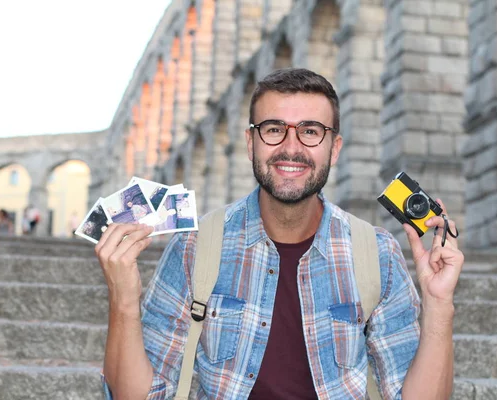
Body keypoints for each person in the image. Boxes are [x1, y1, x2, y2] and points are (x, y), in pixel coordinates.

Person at [95, 68, 464, 399]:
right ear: (250, 142)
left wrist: (438, 304)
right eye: (273, 130)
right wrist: (123, 300)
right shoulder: (194, 247)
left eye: (310, 131)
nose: (291, 148)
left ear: (333, 148)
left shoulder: (377, 253)